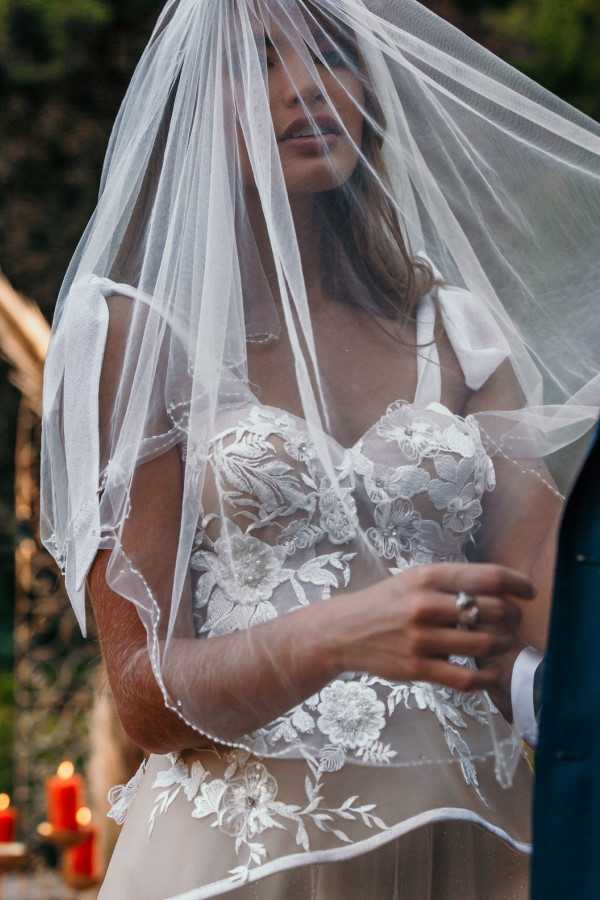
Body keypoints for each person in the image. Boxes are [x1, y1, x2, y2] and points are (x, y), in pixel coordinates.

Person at [40, 1, 600, 898]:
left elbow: (553, 610)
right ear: (187, 101)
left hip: (488, 850)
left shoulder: (455, 331)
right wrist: (344, 632)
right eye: (258, 60)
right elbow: (143, 698)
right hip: (251, 867)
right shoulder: (132, 335)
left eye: (334, 54)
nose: (307, 87)